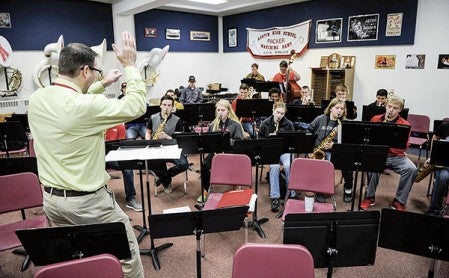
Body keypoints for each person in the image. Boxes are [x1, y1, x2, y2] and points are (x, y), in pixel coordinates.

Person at [28, 31, 145, 277]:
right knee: (126, 256)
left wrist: (103, 83)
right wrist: (131, 66)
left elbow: (73, 104)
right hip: (88, 204)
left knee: (77, 257)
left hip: (52, 201)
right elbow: (136, 105)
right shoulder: (85, 107)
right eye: (96, 71)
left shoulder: (38, 98)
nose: (96, 75)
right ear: (85, 71)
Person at [361, 95, 418, 211]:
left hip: (396, 156)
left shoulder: (405, 124)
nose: (391, 110)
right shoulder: (376, 119)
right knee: (372, 165)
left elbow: (404, 146)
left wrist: (389, 148)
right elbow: (367, 138)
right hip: (378, 154)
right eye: (389, 106)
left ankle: (399, 201)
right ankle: (370, 196)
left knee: (411, 169)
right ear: (386, 106)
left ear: (400, 110)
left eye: (395, 108)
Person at [308, 98, 353, 203]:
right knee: (322, 164)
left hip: (338, 151)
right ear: (331, 108)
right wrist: (310, 149)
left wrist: (334, 145)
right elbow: (309, 132)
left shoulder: (345, 123)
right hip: (319, 150)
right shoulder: (320, 119)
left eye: (342, 108)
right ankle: (320, 191)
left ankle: (348, 189)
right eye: (337, 108)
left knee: (348, 163)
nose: (339, 111)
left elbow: (349, 142)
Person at [200, 99, 245, 202]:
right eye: (218, 110)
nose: (220, 112)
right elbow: (208, 141)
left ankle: (235, 186)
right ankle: (206, 189)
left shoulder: (235, 125)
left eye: (223, 110)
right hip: (216, 152)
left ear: (228, 111)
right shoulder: (213, 125)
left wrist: (227, 145)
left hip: (230, 153)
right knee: (204, 164)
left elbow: (238, 143)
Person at [145, 95, 189, 194]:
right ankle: (166, 183)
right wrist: (148, 142)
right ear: (160, 105)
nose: (166, 108)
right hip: (157, 148)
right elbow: (148, 131)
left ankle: (165, 177)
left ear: (172, 107)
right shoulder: (153, 117)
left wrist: (167, 137)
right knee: (152, 164)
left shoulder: (177, 120)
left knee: (184, 164)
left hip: (172, 148)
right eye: (164, 105)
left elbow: (180, 140)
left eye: (169, 105)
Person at [258, 102, 294, 212]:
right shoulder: (265, 123)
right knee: (274, 167)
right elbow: (259, 139)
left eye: (282, 114)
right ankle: (275, 197)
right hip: (271, 151)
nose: (279, 115)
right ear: (273, 110)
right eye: (278, 112)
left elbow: (292, 141)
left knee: (288, 165)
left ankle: (291, 193)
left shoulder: (288, 124)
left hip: (284, 151)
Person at [105, 124, 143, 212]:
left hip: (114, 158)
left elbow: (121, 147)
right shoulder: (98, 125)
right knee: (97, 169)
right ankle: (103, 198)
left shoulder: (119, 126)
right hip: (99, 157)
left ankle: (131, 198)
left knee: (128, 168)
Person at [425, 121, 449, 216]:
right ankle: (434, 210)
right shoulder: (446, 126)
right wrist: (433, 156)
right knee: (442, 177)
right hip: (445, 165)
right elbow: (435, 137)